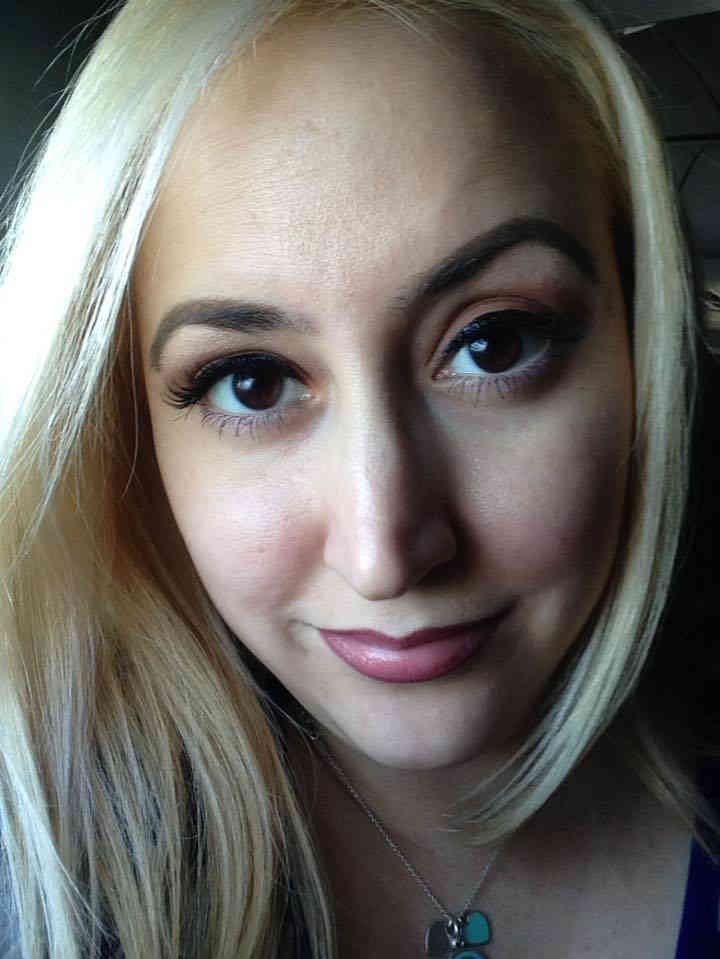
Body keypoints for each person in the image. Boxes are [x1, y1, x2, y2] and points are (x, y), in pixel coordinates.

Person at [1, 0, 719, 956]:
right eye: (252, 382)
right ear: (129, 434)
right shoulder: (43, 881)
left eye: (494, 343)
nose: (386, 554)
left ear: (642, 343)